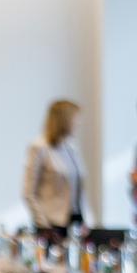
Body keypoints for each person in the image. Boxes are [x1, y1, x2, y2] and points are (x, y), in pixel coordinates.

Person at [22, 99, 89, 235]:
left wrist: (86, 221)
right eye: (75, 119)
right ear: (64, 120)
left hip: (75, 223)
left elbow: (78, 190)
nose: (78, 124)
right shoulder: (39, 147)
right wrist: (43, 224)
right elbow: (29, 193)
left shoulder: (71, 148)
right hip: (51, 225)